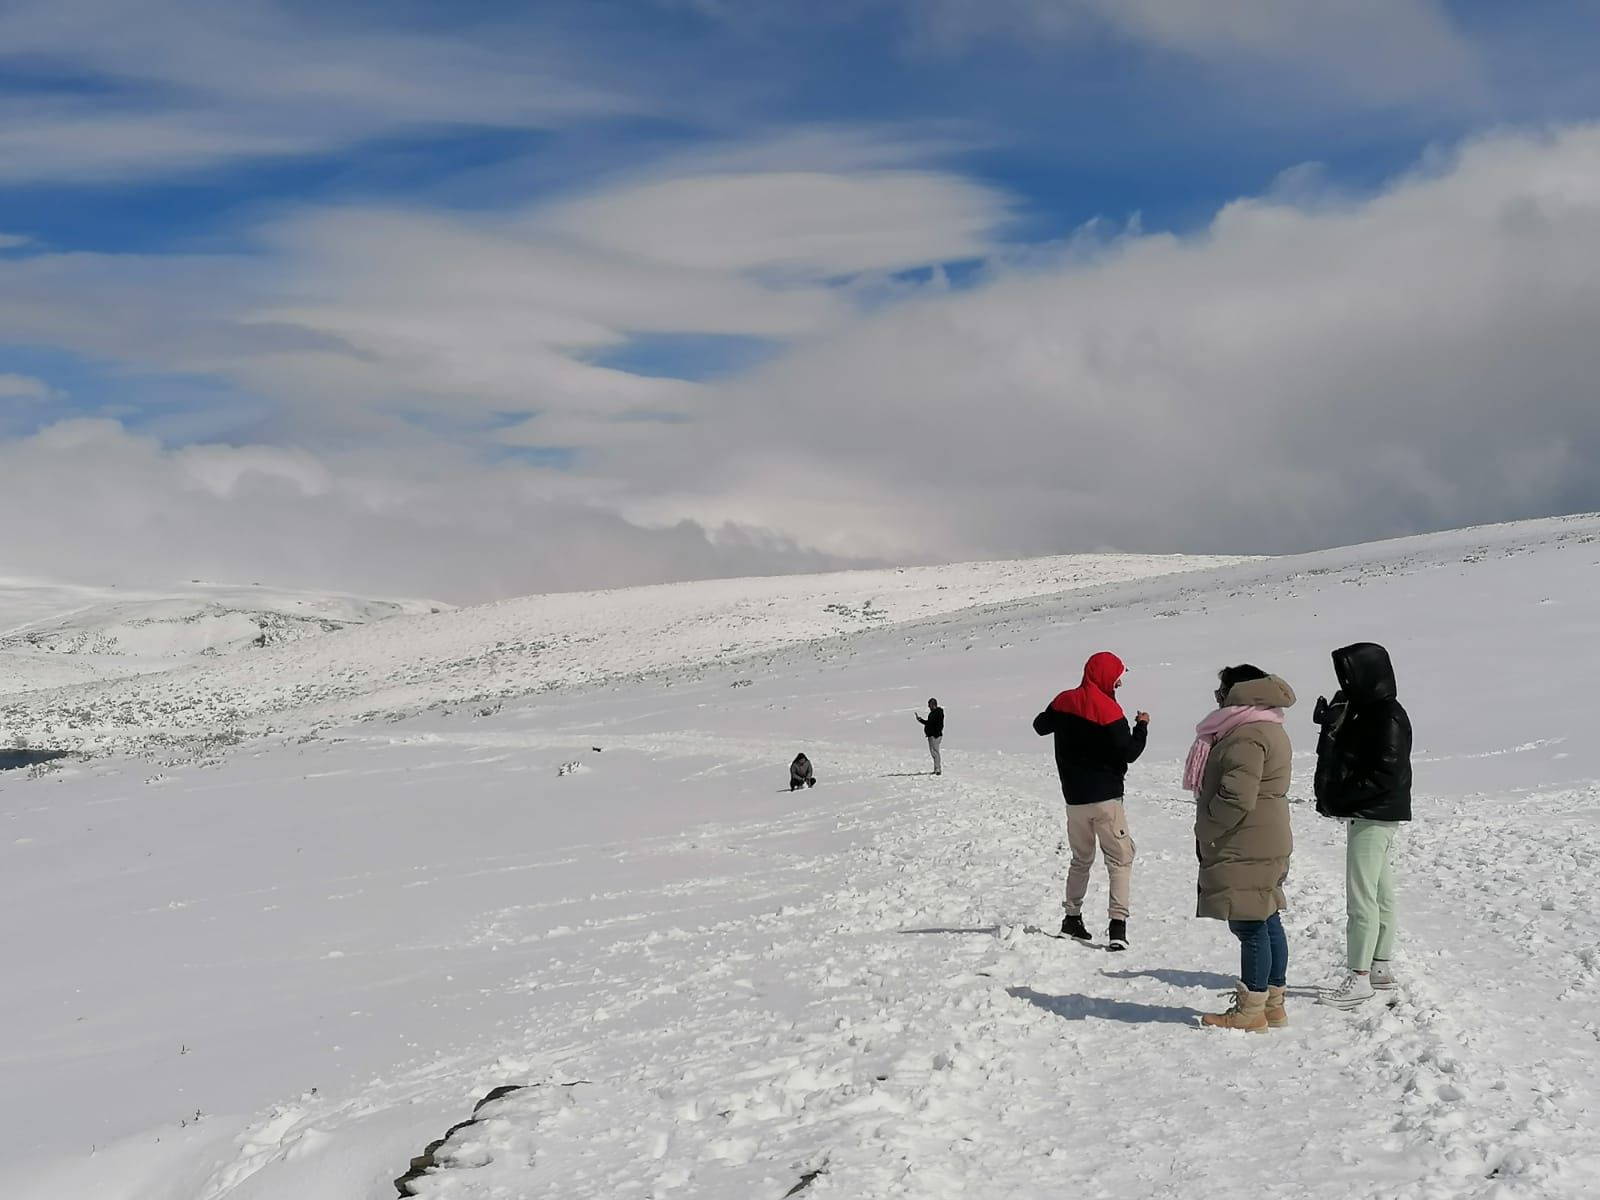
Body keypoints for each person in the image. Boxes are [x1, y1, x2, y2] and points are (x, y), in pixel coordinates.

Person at [1187, 664, 1297, 1032]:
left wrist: (1207, 825)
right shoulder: (1267, 724)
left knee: (1249, 922)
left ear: (1240, 692)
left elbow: (1236, 795)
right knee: (1266, 915)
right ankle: (1272, 1004)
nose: (1218, 697)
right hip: (1264, 835)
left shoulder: (1246, 734)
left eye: (1222, 690)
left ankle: (1251, 1010)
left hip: (1245, 839)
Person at [1312, 642, 1413, 1009]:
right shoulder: (1370, 712)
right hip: (1376, 814)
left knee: (1361, 898)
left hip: (1373, 814)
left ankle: (1358, 978)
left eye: (1349, 675)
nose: (1345, 683)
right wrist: (1330, 729)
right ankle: (1380, 967)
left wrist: (1344, 798)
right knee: (1380, 892)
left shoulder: (1386, 716)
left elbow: (1385, 772)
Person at [1032, 651, 1149, 950]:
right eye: (1118, 676)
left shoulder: (1064, 700)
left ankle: (1072, 919)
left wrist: (1061, 711)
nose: (1120, 682)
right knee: (1120, 860)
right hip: (1106, 799)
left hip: (1074, 799)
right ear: (1106, 676)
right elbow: (1129, 753)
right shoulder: (1109, 710)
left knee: (1081, 860)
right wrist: (1142, 727)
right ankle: (1117, 927)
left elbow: (1040, 725)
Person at [915, 698, 945, 775]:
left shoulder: (938, 713)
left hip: (935, 736)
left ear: (933, 704)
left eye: (929, 705)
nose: (928, 706)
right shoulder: (932, 713)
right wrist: (921, 720)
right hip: (931, 735)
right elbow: (929, 723)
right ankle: (936, 768)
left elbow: (939, 725)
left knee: (935, 752)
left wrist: (935, 734)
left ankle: (938, 769)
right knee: (933, 752)